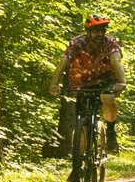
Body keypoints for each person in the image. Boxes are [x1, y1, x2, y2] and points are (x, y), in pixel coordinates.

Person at [49, 14, 127, 159]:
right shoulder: (77, 43)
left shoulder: (110, 42)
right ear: (88, 32)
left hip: (105, 80)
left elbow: (116, 62)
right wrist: (54, 84)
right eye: (96, 31)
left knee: (107, 96)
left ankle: (110, 131)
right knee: (81, 124)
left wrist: (122, 82)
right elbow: (63, 64)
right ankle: (77, 167)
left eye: (102, 30)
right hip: (82, 82)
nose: (99, 34)